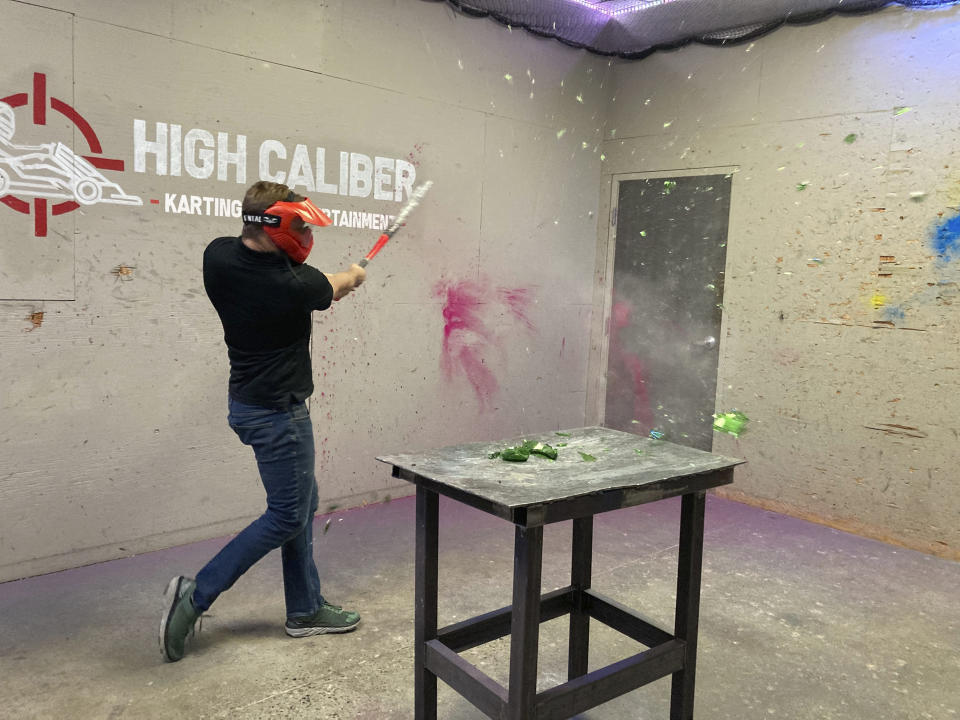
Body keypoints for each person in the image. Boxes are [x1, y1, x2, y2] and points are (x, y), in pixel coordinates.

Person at [160, 181, 367, 662]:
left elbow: (317, 285)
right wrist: (355, 274)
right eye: (300, 224)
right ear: (277, 224)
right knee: (287, 514)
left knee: (301, 502)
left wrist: (338, 279)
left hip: (248, 404)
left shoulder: (218, 256)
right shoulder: (294, 283)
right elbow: (334, 285)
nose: (306, 233)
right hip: (280, 413)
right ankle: (194, 596)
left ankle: (305, 609)